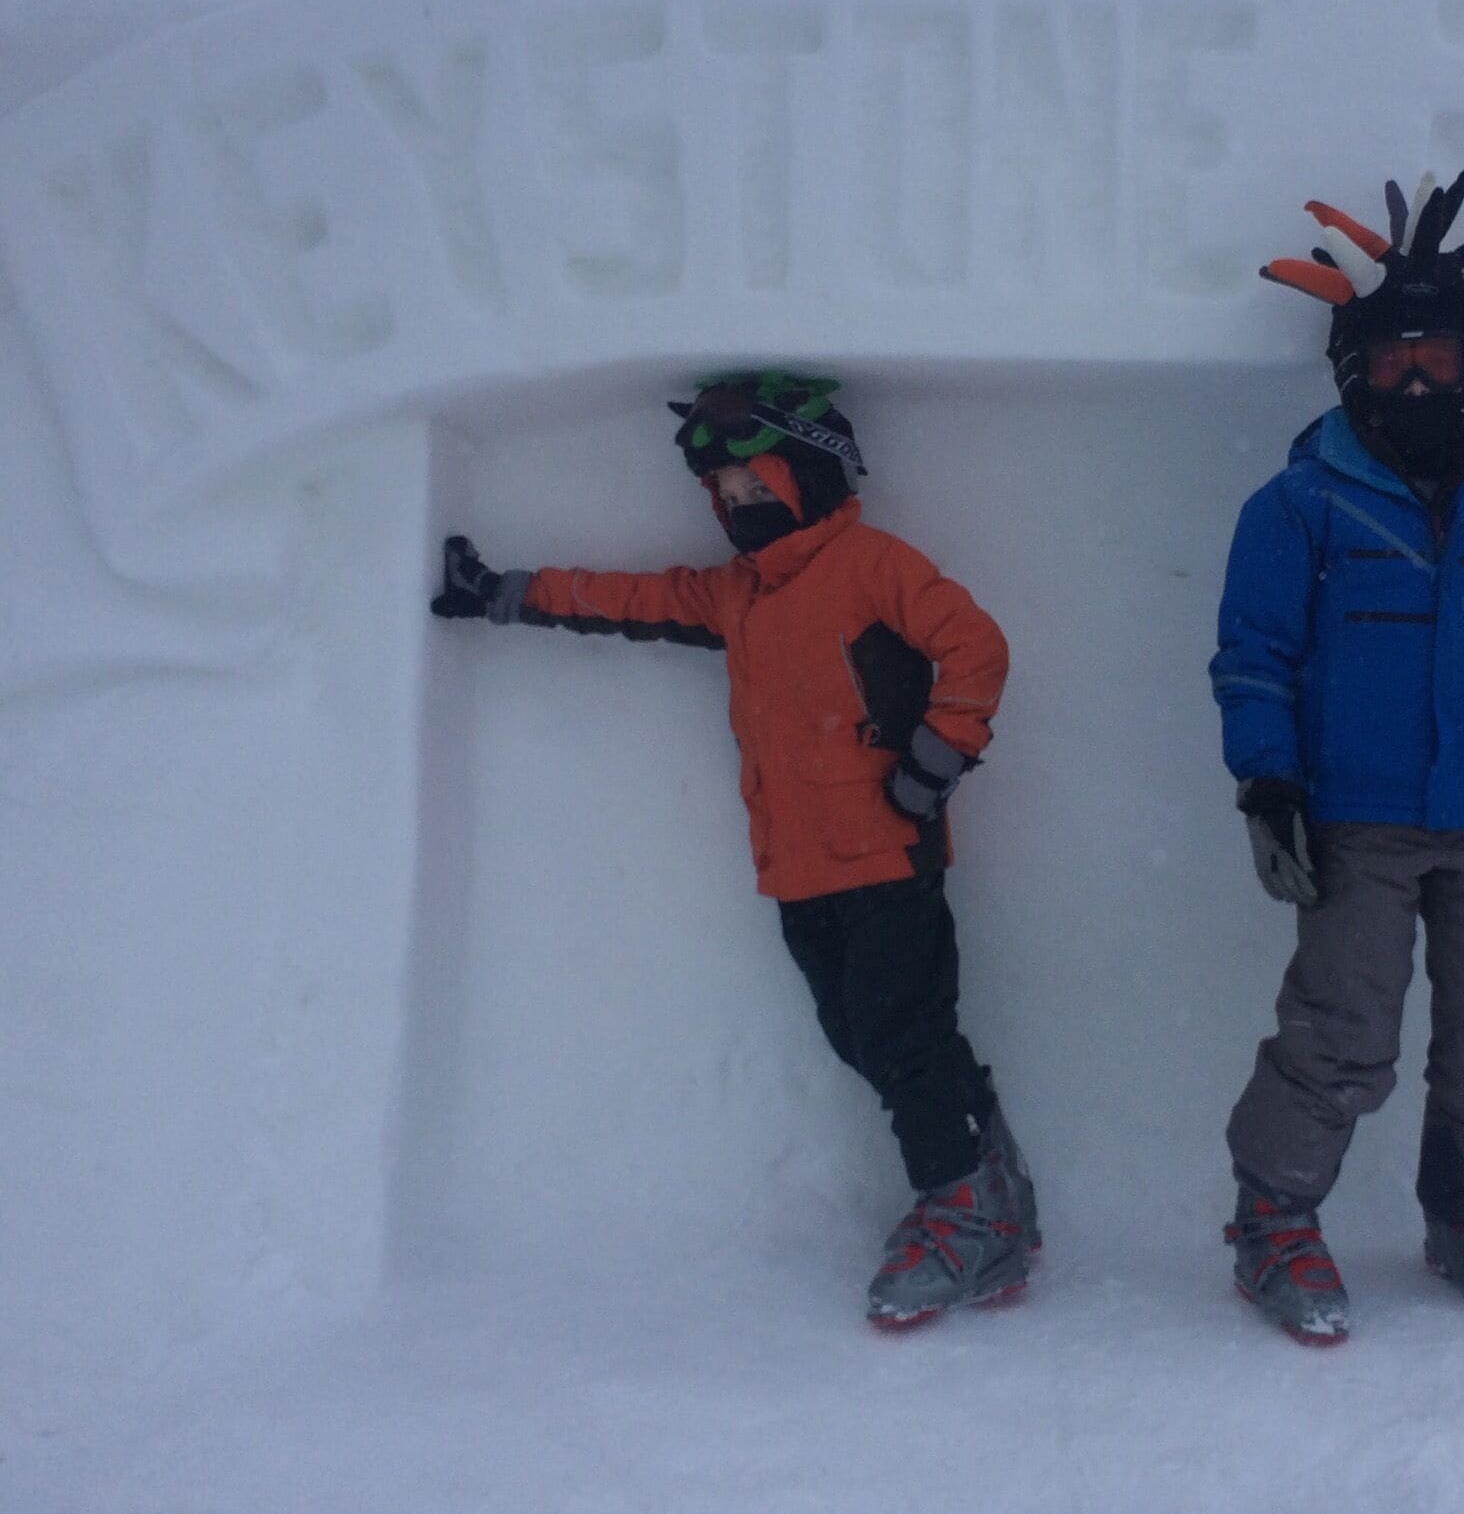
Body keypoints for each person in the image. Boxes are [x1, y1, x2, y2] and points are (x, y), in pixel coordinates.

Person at [429, 370, 1036, 1329]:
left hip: (882, 851)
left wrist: (934, 762)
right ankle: (986, 1181)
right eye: (726, 497)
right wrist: (506, 594)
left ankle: (962, 1209)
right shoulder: (739, 594)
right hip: (796, 863)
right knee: (865, 1036)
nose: (740, 508)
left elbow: (976, 648)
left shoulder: (871, 564)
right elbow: (632, 600)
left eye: (758, 487)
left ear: (814, 474)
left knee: (900, 1037)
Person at [1209, 171, 1464, 1345]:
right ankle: (1272, 1220)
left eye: (1439, 357)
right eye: (1394, 364)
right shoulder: (1300, 506)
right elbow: (1254, 654)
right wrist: (1269, 783)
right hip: (1360, 826)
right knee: (1342, 1034)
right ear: (1352, 373)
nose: (1419, 382)